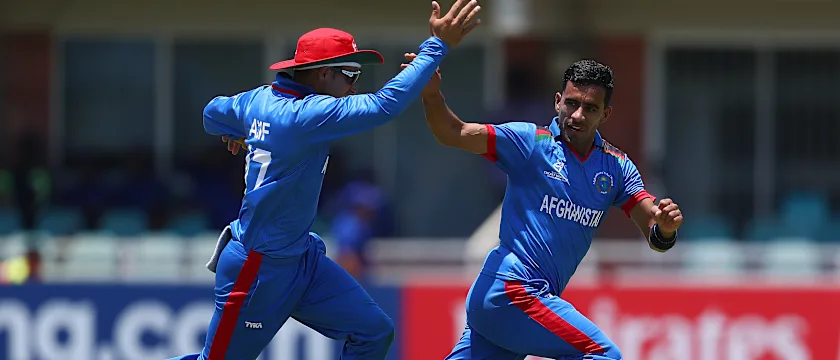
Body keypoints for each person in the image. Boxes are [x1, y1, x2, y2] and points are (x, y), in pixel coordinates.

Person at [168, 2, 482, 359]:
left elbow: (212, 113)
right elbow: (384, 105)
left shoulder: (257, 101)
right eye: (350, 74)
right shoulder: (306, 115)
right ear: (321, 74)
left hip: (302, 259)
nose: (353, 86)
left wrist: (240, 130)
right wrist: (436, 46)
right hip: (258, 269)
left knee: (373, 332)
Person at [403, 55, 684, 359]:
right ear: (557, 101)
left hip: (510, 303)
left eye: (590, 108)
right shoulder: (531, 143)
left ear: (605, 115)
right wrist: (431, 93)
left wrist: (665, 229)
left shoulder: (616, 167)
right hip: (511, 289)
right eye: (572, 103)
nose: (577, 115)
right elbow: (452, 132)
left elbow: (654, 234)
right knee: (603, 355)